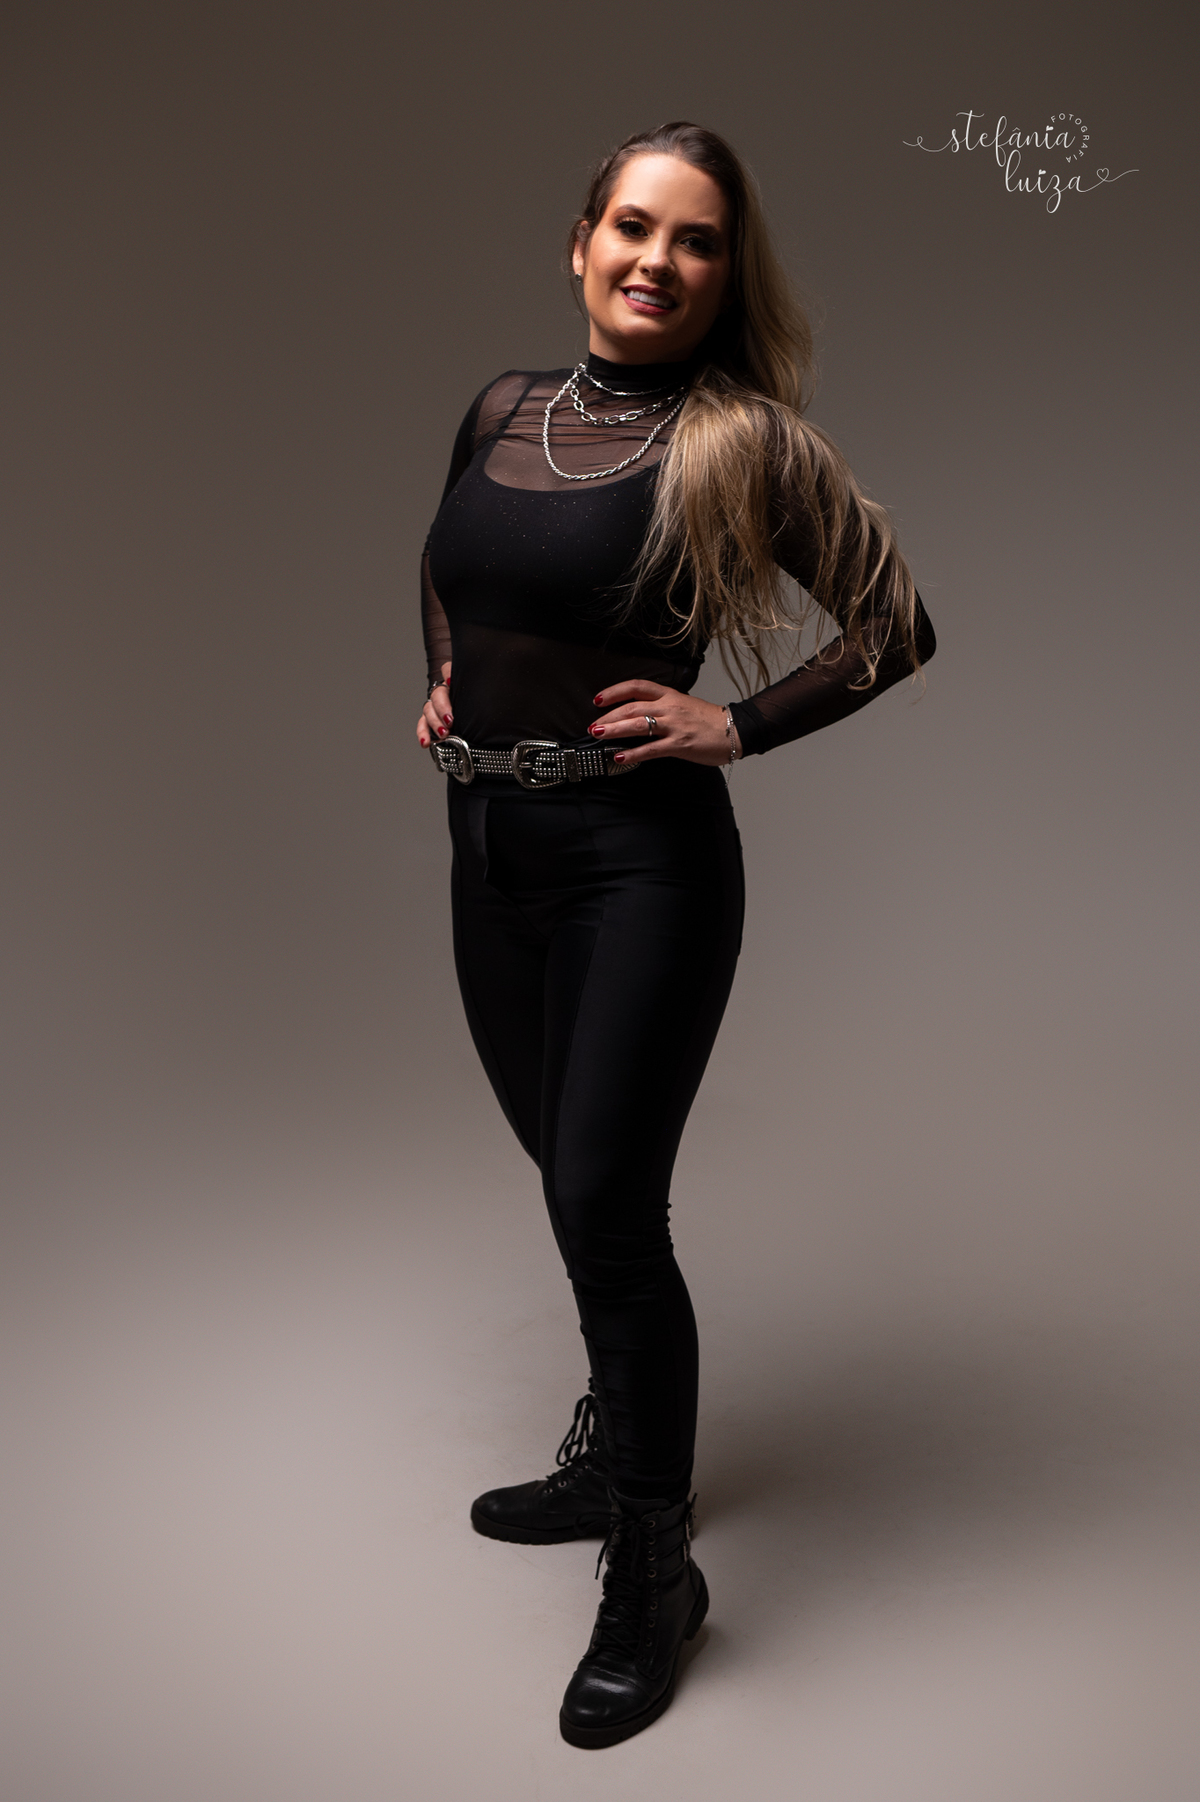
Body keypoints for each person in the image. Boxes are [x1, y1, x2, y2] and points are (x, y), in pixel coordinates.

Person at [415, 121, 935, 1748]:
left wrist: (737, 726)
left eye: (697, 240)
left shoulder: (744, 443)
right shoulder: (503, 409)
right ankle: (622, 1451)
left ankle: (654, 1566)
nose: (659, 258)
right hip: (486, 851)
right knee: (567, 1179)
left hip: (639, 864)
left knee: (603, 1202)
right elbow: (452, 573)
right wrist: (444, 680)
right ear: (581, 243)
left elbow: (895, 623)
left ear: (726, 275)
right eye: (634, 226)